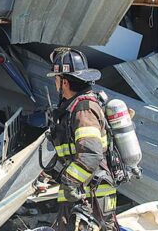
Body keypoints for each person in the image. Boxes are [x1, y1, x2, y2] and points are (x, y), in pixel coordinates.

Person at [47, 47, 117, 231]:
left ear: (64, 82)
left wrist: (70, 182)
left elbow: (90, 154)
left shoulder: (83, 110)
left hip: (90, 196)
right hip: (82, 193)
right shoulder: (73, 108)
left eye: (56, 78)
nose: (55, 83)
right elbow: (71, 152)